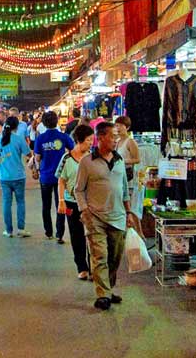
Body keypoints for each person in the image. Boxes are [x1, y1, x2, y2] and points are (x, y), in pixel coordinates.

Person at [75, 121, 139, 311]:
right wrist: (84, 210)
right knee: (100, 256)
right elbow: (78, 190)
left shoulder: (119, 161)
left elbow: (125, 190)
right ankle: (102, 294)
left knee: (115, 257)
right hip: (95, 218)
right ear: (100, 137)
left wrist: (128, 212)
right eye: (113, 136)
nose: (115, 140)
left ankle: (109, 288)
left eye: (117, 137)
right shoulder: (87, 162)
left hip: (118, 217)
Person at [56, 124, 93, 280]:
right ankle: (82, 267)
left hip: (90, 203)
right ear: (80, 140)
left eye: (92, 140)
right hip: (71, 203)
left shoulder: (93, 157)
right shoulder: (66, 158)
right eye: (89, 140)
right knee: (76, 234)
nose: (91, 143)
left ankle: (94, 268)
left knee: (92, 235)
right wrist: (61, 201)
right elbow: (61, 181)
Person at [33, 111, 74, 243]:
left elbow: (37, 158)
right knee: (61, 204)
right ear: (57, 121)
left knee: (46, 205)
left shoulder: (40, 138)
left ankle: (48, 231)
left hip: (45, 176)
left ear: (43, 123)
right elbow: (73, 152)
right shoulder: (63, 137)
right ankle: (60, 234)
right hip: (61, 178)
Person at [0, 116, 31, 238]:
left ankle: (8, 231)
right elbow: (28, 154)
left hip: (4, 177)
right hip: (18, 176)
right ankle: (21, 229)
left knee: (6, 203)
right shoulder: (19, 139)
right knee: (20, 202)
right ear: (17, 126)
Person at [114, 116, 141, 191]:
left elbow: (137, 159)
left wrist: (122, 161)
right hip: (118, 174)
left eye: (121, 126)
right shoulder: (117, 141)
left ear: (127, 128)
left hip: (128, 175)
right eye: (116, 125)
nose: (118, 128)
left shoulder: (130, 142)